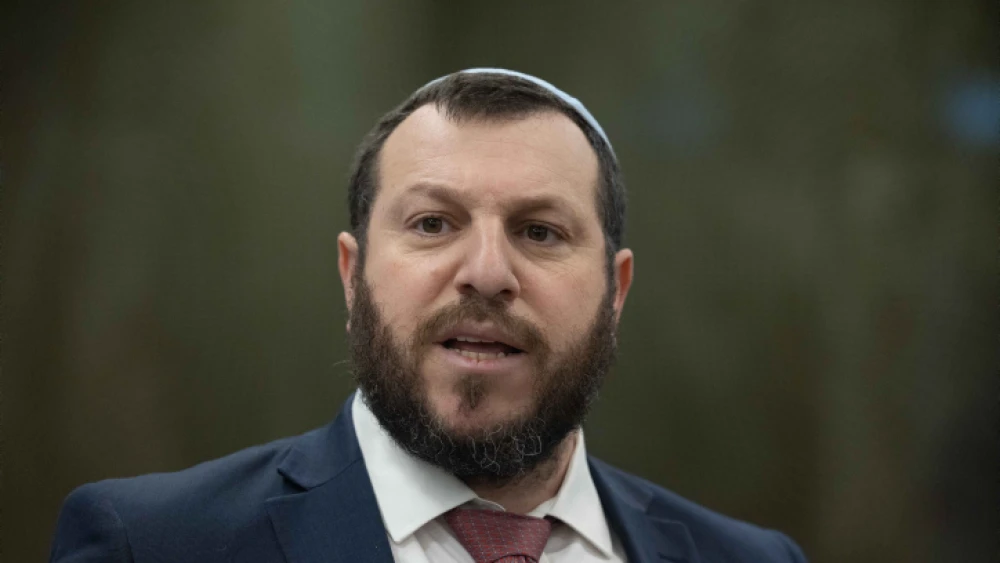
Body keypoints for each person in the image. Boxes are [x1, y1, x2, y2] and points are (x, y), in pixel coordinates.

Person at [50, 68, 808, 563]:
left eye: (540, 232)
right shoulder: (149, 544)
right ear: (352, 276)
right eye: (433, 224)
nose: (487, 273)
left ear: (616, 292)